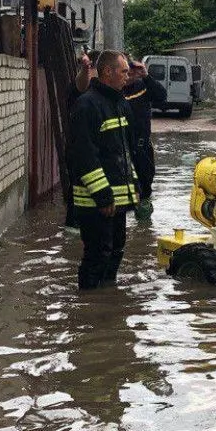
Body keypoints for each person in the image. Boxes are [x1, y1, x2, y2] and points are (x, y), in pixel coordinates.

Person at [66, 49, 139, 288]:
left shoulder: (118, 104)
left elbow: (123, 152)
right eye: (124, 71)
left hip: (116, 203)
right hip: (96, 203)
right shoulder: (87, 105)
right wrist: (103, 195)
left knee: (115, 252)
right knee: (97, 257)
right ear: (108, 72)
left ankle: (106, 307)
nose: (127, 77)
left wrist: (134, 185)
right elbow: (84, 156)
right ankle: (89, 309)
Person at [123, 58, 168, 223]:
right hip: (121, 147)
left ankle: (143, 228)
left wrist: (146, 76)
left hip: (141, 146)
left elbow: (162, 96)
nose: (130, 74)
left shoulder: (143, 87)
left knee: (145, 184)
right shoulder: (114, 91)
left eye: (133, 70)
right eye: (126, 71)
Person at [62, 50, 96, 234]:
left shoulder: (107, 95)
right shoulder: (79, 91)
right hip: (81, 155)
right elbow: (81, 85)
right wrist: (86, 68)